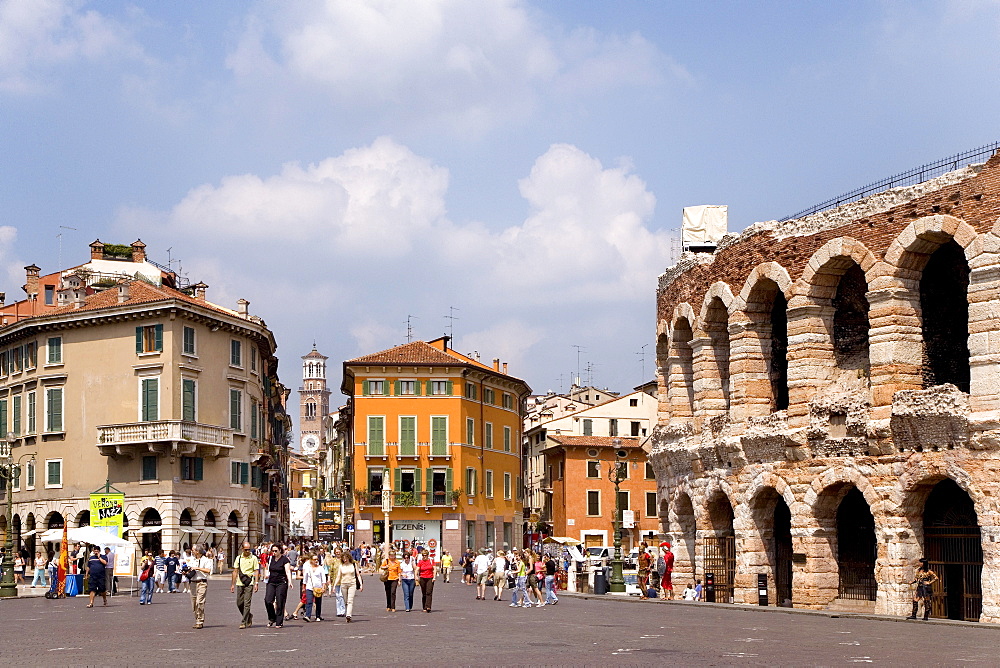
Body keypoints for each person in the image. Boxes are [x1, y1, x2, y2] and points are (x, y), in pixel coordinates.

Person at [231, 541, 260, 629]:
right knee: (239, 603)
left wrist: (256, 583)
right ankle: (248, 615)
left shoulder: (253, 558)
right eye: (246, 549)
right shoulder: (238, 558)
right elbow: (235, 571)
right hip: (240, 582)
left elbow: (256, 571)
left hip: (249, 582)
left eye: (249, 549)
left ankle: (244, 621)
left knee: (247, 603)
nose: (248, 551)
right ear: (242, 549)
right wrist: (232, 584)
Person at [264, 544, 293, 628]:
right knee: (268, 600)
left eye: (276, 551)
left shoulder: (285, 559)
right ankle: (272, 617)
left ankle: (279, 622)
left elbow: (287, 571)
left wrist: (290, 581)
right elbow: (266, 568)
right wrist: (265, 574)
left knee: (280, 601)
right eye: (272, 551)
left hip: (281, 582)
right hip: (271, 582)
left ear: (280, 550)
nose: (274, 553)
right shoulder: (270, 558)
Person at [186, 546, 213, 629]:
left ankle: (200, 621)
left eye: (193, 550)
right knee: (194, 603)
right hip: (192, 583)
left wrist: (197, 568)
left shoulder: (207, 560)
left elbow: (208, 571)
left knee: (200, 602)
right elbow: (189, 568)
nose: (192, 551)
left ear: (197, 551)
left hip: (202, 582)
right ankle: (197, 618)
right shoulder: (192, 559)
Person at [333, 550, 363, 622]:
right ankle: (347, 612)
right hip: (343, 584)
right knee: (346, 601)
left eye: (346, 558)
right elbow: (338, 576)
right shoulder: (341, 566)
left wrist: (361, 584)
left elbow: (358, 575)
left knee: (350, 600)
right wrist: (334, 585)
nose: (345, 560)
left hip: (352, 583)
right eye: (343, 558)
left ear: (349, 558)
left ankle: (348, 615)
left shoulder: (353, 565)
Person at [302, 553, 327, 622]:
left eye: (317, 559)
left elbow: (323, 579)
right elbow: (305, 578)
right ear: (311, 560)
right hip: (310, 587)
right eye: (314, 559)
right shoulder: (308, 568)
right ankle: (308, 616)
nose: (316, 561)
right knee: (309, 601)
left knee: (318, 602)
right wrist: (303, 587)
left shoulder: (320, 568)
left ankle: (318, 616)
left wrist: (323, 587)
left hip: (318, 587)